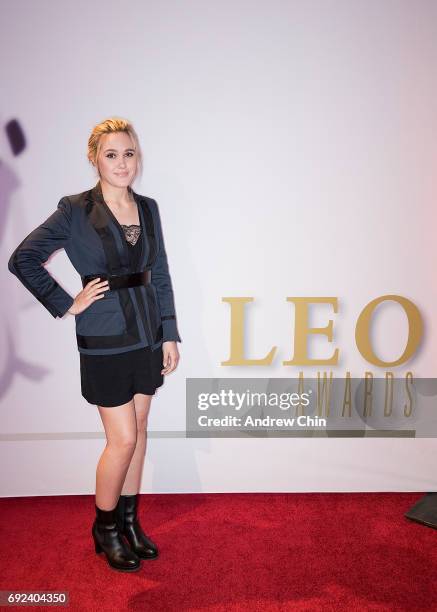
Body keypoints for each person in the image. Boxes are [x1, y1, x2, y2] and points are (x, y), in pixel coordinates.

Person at [7, 116, 181, 572]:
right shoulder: (74, 209)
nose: (122, 163)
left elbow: (159, 273)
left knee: (139, 434)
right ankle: (103, 528)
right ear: (94, 159)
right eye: (111, 154)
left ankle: (128, 521)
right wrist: (67, 302)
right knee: (121, 439)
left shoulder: (149, 208)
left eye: (129, 153)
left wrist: (169, 333)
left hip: (147, 334)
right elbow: (22, 259)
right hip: (104, 336)